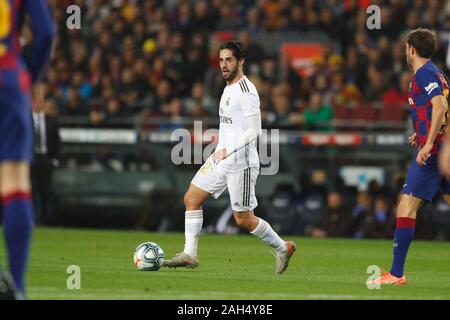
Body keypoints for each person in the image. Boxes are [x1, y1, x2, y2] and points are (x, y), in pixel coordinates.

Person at [163, 41, 296, 274]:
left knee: (243, 220)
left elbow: (254, 130)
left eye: (229, 60)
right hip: (220, 158)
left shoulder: (247, 91)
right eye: (221, 60)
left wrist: (228, 148)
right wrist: (220, 148)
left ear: (241, 61)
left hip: (241, 162)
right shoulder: (226, 88)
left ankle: (283, 247)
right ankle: (190, 254)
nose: (224, 65)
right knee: (191, 199)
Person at [368, 28, 449, 286]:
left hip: (433, 154)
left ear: (411, 49)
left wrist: (428, 143)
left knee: (406, 207)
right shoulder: (437, 74)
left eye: (405, 48)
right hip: (440, 148)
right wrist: (421, 132)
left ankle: (396, 273)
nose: (405, 52)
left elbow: (441, 106)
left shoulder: (425, 73)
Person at [0, 0, 54, 299]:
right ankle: (17, 287)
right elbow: (44, 32)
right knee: (14, 184)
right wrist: (30, 75)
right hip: (8, 79)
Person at [31, 100, 61, 225]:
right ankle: (32, 219)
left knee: (45, 190)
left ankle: (43, 219)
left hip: (45, 159)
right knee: (31, 189)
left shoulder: (51, 121)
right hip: (30, 158)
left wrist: (54, 160)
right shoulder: (26, 120)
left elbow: (58, 142)